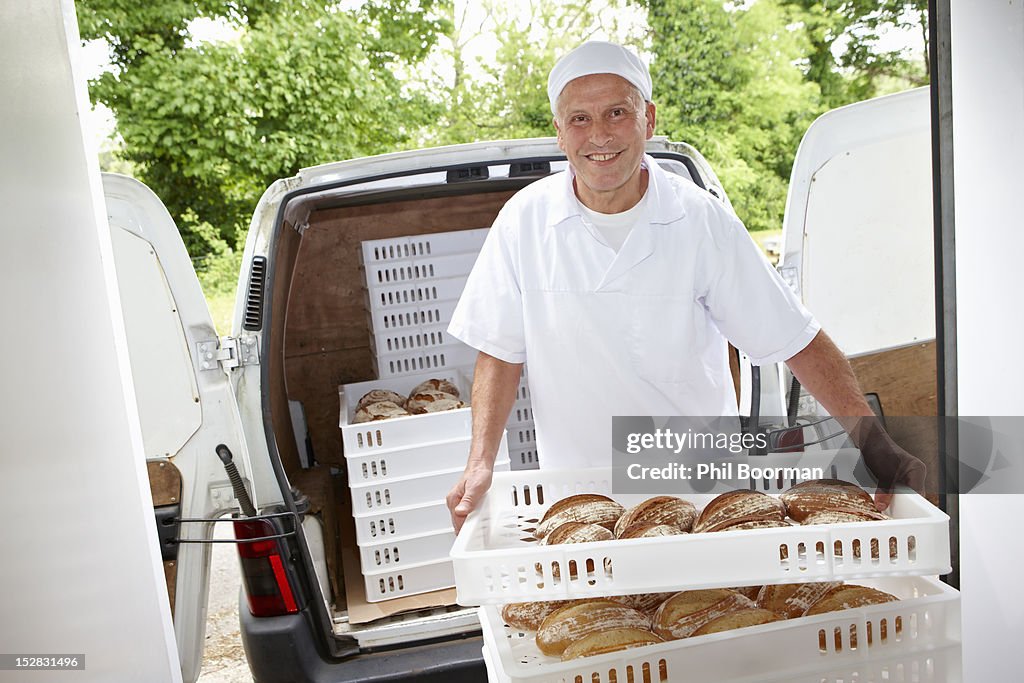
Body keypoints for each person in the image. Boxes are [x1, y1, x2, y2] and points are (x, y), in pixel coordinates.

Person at [444, 41, 925, 532]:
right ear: (560, 134)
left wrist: (875, 443)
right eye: (580, 119)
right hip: (579, 508)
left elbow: (793, 337)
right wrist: (480, 462)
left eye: (617, 113)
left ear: (648, 120)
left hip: (700, 501)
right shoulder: (524, 222)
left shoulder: (699, 220)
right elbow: (499, 352)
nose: (600, 135)